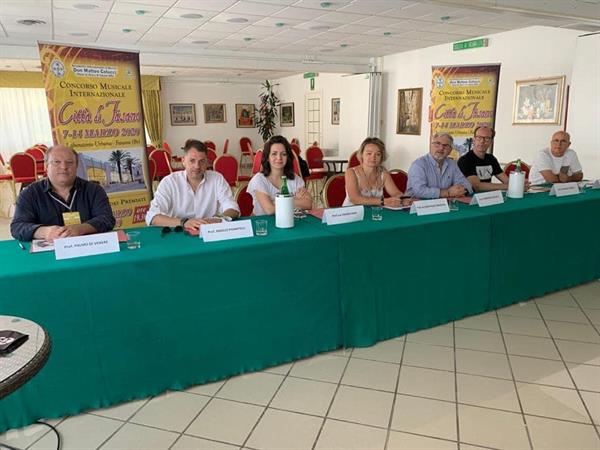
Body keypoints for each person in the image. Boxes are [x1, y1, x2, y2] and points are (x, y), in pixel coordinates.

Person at [10, 144, 115, 242]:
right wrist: (45, 232)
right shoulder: (30, 194)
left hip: (87, 246)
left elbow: (107, 219)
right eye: (56, 162)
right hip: (48, 251)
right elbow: (17, 227)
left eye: (69, 162)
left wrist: (80, 229)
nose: (64, 167)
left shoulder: (94, 190)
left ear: (76, 166)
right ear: (46, 166)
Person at [145, 139, 239, 230]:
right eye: (192, 161)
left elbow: (233, 208)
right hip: (178, 232)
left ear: (207, 162)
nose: (197, 166)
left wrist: (217, 219)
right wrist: (184, 222)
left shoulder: (217, 179)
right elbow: (153, 217)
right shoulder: (169, 182)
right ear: (183, 161)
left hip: (209, 231)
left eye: (202, 161)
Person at [247, 135, 312, 215]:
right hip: (262, 222)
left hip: (288, 220)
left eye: (283, 154)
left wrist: (275, 202)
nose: (279, 158)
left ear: (288, 157)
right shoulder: (259, 179)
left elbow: (308, 204)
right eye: (274, 154)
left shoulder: (295, 179)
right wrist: (294, 200)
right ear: (267, 157)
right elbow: (270, 210)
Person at [342, 137, 410, 207]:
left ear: (381, 157)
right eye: (369, 153)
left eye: (378, 154)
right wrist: (383, 201)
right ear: (361, 155)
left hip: (375, 212)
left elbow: (395, 192)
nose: (373, 157)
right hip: (352, 212)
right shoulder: (351, 172)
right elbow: (355, 199)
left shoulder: (383, 172)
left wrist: (402, 199)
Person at [407, 132, 472, 199]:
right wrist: (447, 192)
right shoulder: (418, 164)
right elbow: (419, 191)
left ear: (450, 150)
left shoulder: (452, 164)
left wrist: (462, 190)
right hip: (417, 203)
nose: (441, 148)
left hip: (444, 203)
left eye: (445, 145)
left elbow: (467, 185)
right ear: (431, 146)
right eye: (437, 144)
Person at [458, 126, 510, 192]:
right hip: (470, 197)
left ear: (491, 142)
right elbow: (477, 186)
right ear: (474, 140)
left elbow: (506, 180)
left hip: (488, 196)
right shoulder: (465, 160)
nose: (482, 141)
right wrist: (508, 186)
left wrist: (516, 184)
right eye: (479, 137)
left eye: (487, 138)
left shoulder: (491, 159)